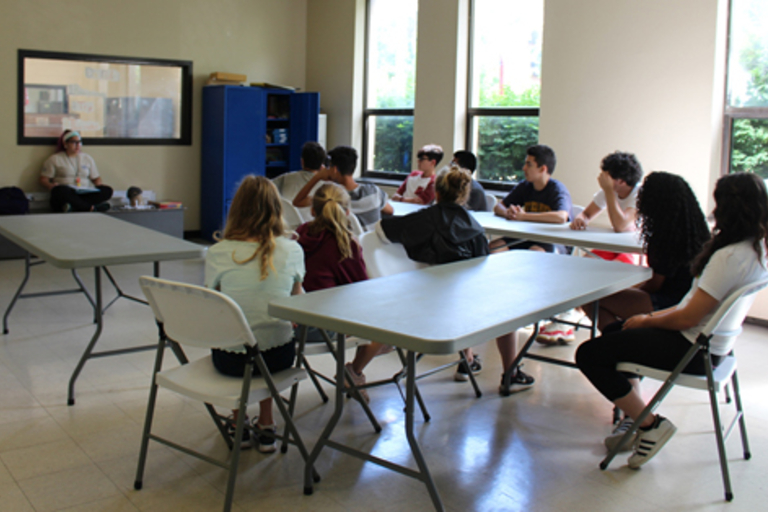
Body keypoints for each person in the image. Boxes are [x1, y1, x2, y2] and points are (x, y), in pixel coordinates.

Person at [576, 172, 768, 468]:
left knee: (589, 354)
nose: (714, 211)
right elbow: (690, 305)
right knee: (614, 331)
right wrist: (649, 317)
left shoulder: (729, 257)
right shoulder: (756, 250)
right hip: (714, 347)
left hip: (693, 349)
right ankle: (635, 415)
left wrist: (646, 321)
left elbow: (688, 317)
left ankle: (649, 425)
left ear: (730, 209)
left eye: (718, 204)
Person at [204, 175, 304, 453]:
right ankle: (267, 422)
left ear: (236, 210)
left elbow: (215, 304)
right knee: (268, 333)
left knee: (241, 332)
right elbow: (298, 303)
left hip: (230, 360)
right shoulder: (292, 250)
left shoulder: (218, 252)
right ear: (277, 209)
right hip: (280, 358)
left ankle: (239, 421)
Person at [375, 166, 492, 383]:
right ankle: (467, 359)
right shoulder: (476, 229)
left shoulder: (424, 219)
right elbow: (482, 272)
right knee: (458, 291)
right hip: (466, 310)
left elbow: (382, 229)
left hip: (422, 303)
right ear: (464, 195)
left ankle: (358, 368)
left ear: (436, 193)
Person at [296, 182, 389, 402]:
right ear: (347, 212)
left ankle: (353, 373)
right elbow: (360, 289)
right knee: (388, 325)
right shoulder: (345, 244)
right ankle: (354, 372)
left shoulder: (300, 234)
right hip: (324, 328)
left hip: (294, 324)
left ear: (312, 210)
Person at [538, 151, 644, 344]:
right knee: (581, 269)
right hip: (612, 247)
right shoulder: (608, 192)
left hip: (636, 252)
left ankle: (572, 320)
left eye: (606, 174)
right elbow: (586, 214)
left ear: (619, 181)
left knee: (607, 276)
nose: (600, 177)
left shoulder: (638, 193)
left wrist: (609, 191)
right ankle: (568, 318)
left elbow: (621, 225)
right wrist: (581, 219)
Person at [588, 172, 711, 333]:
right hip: (691, 301)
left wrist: (624, 290)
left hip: (668, 304)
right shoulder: (698, 232)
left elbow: (653, 285)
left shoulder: (665, 237)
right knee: (606, 297)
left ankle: (616, 339)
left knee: (590, 297)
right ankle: (618, 336)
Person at [490, 144, 572, 254]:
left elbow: (561, 217)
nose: (524, 168)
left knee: (534, 254)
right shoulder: (525, 186)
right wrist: (509, 213)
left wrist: (523, 216)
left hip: (553, 239)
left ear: (542, 169)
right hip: (527, 236)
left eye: (529, 165)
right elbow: (499, 207)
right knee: (493, 247)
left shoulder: (557, 189)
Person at [294, 145, 393, 230]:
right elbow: (390, 211)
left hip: (345, 245)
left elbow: (298, 202)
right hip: (372, 245)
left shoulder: (329, 197)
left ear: (335, 169)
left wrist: (317, 177)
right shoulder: (374, 191)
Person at [39, 130, 113, 212]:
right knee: (59, 190)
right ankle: (91, 208)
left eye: (79, 142)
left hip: (84, 192)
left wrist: (98, 187)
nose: (78, 145)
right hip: (67, 192)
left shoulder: (87, 158)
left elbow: (96, 178)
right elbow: (43, 179)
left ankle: (74, 207)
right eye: (74, 142)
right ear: (65, 144)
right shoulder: (55, 159)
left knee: (107, 190)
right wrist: (51, 185)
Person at [274, 142, 327, 219]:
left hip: (286, 223)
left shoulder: (285, 178)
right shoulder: (327, 186)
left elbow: (263, 187)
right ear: (322, 165)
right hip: (313, 225)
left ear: (302, 161)